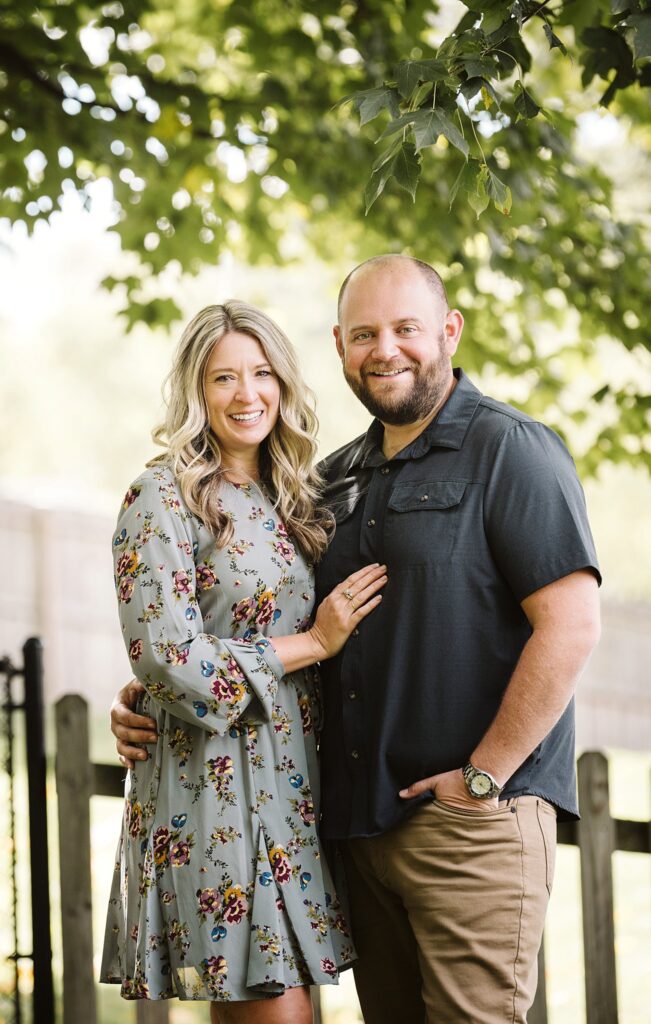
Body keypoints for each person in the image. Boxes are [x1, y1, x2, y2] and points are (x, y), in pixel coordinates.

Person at [112, 256, 602, 1024]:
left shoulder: (511, 450)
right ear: (339, 346)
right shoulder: (331, 483)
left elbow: (571, 625)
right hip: (347, 828)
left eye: (406, 328)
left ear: (448, 331)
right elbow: (218, 636)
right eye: (365, 333)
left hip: (465, 824)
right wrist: (153, 694)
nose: (386, 349)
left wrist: (481, 780)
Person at [101, 299, 387, 1022]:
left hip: (296, 795)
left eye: (261, 373)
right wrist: (312, 643)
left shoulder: (295, 496)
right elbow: (168, 655)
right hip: (214, 794)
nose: (246, 394)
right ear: (196, 391)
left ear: (284, 385)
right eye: (223, 377)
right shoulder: (161, 496)